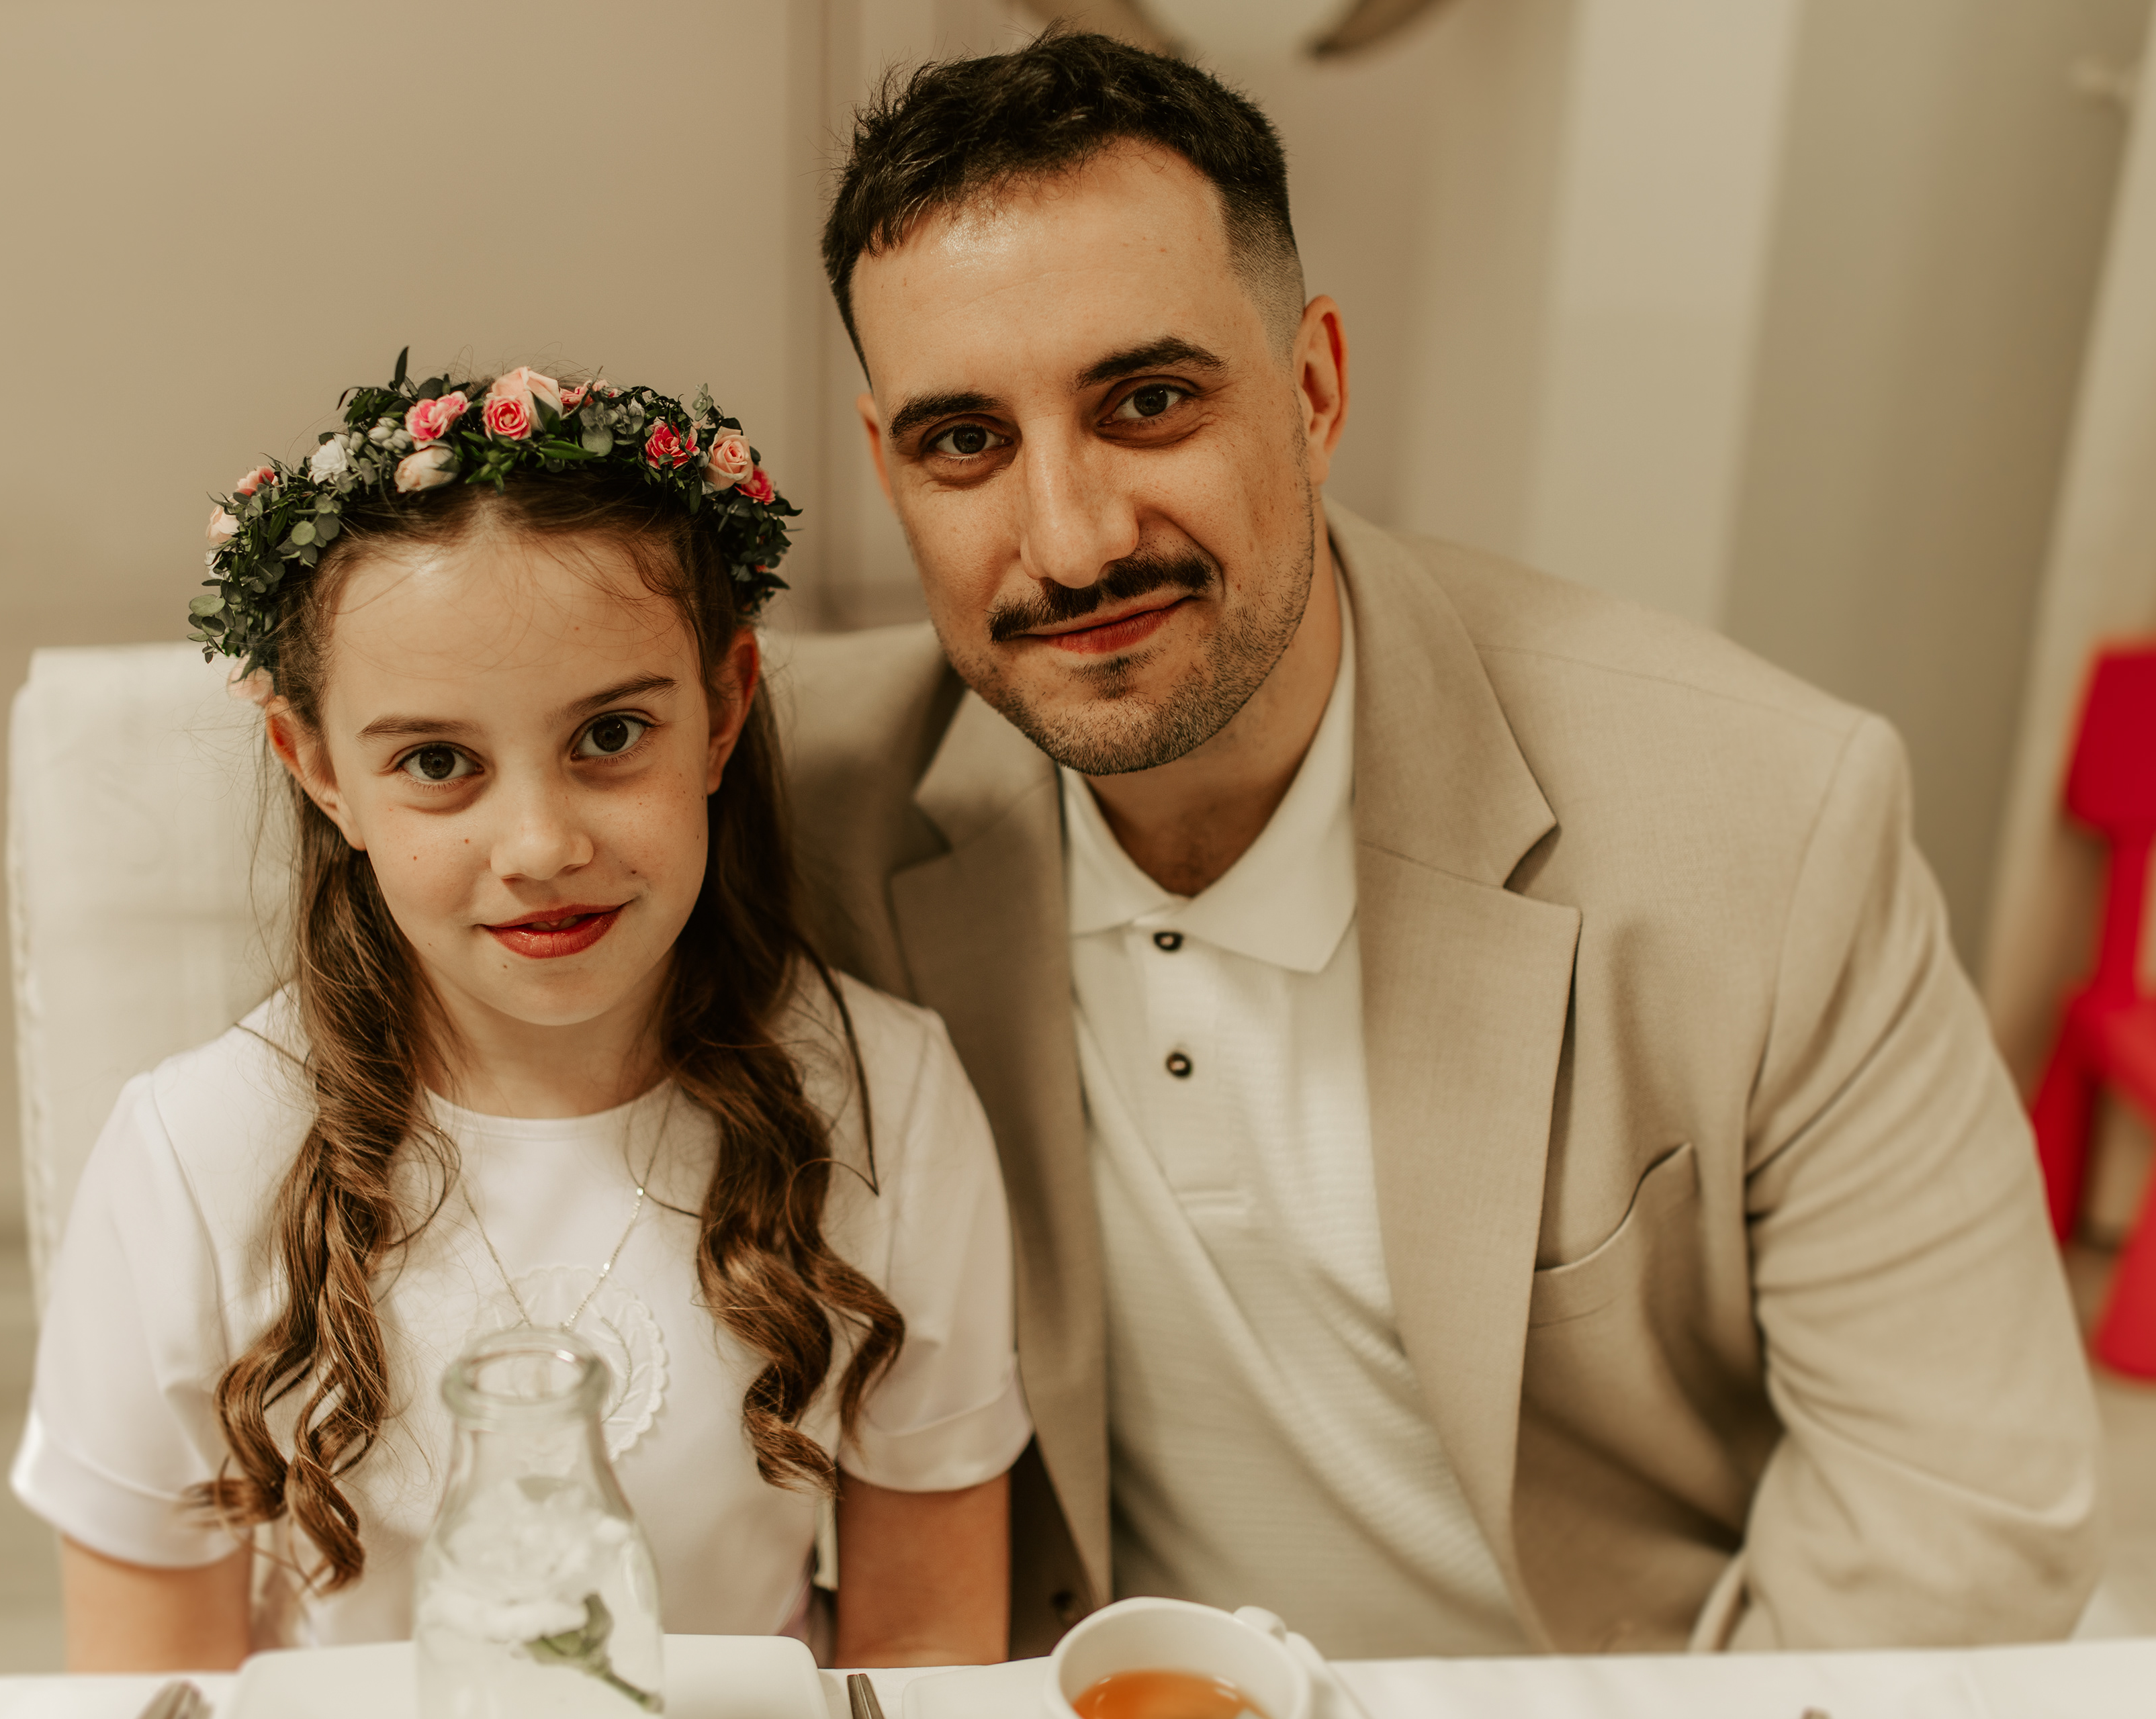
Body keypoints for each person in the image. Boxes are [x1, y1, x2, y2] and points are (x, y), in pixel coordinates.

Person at [776, 32, 2102, 1659]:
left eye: (1151, 402)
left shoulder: (1766, 819)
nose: (1069, 540)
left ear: (1315, 389)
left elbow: (1962, 1518)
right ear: (887, 466)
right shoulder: (804, 791)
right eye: (965, 443)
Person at [10, 362, 1030, 1670]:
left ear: (724, 711)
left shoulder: (887, 1101)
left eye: (609, 735)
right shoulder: (189, 1156)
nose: (541, 845)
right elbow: (156, 1686)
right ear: (319, 769)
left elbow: (925, 1651)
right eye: (439, 762)